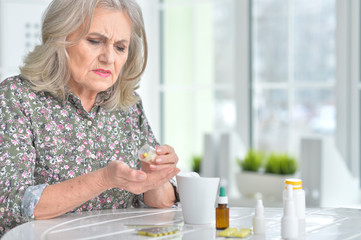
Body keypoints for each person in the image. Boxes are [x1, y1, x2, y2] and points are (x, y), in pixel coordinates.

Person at [0, 0, 180, 236]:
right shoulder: (17, 97)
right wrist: (104, 179)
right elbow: (10, 205)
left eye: (120, 47)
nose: (109, 58)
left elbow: (160, 201)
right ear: (60, 39)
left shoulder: (128, 104)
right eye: (95, 41)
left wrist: (156, 177)